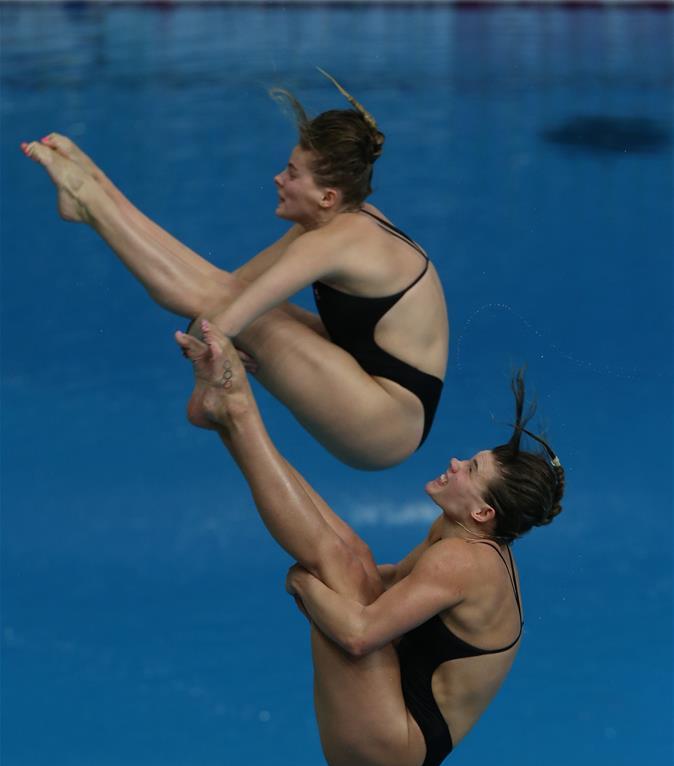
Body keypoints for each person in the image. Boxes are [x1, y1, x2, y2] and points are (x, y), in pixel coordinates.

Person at [177, 320, 564, 766]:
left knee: (332, 566)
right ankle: (227, 417)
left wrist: (304, 582)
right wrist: (329, 574)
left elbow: (359, 636)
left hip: (390, 749)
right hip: (395, 707)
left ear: (484, 511)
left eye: (471, 469)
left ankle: (236, 408)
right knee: (352, 555)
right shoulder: (458, 531)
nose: (455, 463)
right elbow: (393, 580)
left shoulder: (463, 561)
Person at [20, 71, 448, 470]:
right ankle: (94, 193)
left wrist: (208, 357)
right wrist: (217, 335)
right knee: (218, 293)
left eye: (292, 174)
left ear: (327, 196)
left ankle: (91, 203)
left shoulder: (329, 243)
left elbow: (221, 318)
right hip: (373, 383)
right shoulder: (342, 220)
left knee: (216, 306)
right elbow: (233, 284)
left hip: (384, 423)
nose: (279, 179)